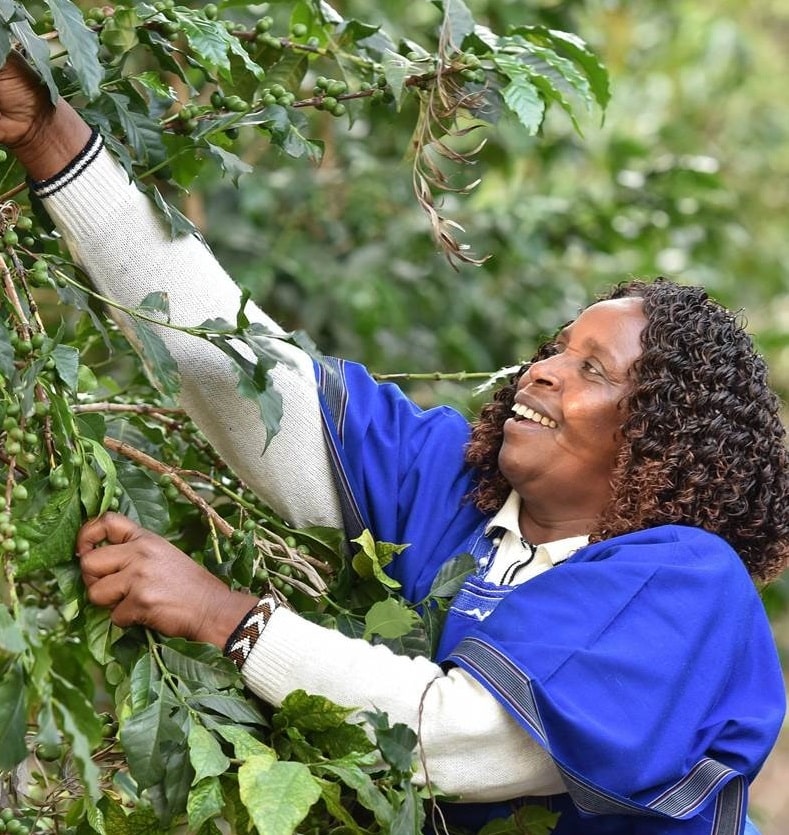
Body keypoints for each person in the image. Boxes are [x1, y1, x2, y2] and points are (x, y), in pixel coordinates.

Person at [1, 52, 787, 835]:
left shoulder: (685, 582)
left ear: (657, 436)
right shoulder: (461, 490)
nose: (542, 371)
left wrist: (226, 615)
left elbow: (465, 738)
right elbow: (244, 374)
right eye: (555, 346)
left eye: (592, 369)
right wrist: (47, 133)